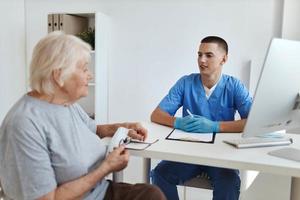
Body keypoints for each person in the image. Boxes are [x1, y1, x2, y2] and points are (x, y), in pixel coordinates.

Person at [0, 31, 166, 200]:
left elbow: (93, 129)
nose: (90, 75)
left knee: (152, 194)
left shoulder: (65, 103)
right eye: (84, 68)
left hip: (96, 191)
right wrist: (106, 168)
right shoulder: (24, 124)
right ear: (59, 76)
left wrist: (125, 127)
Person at [150, 36, 252, 200]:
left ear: (223, 59)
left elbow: (252, 122)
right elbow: (156, 115)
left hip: (221, 156)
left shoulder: (234, 86)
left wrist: (215, 126)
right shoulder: (185, 83)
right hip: (188, 153)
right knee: (160, 174)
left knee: (230, 182)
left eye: (209, 55)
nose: (201, 60)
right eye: (199, 54)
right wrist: (176, 122)